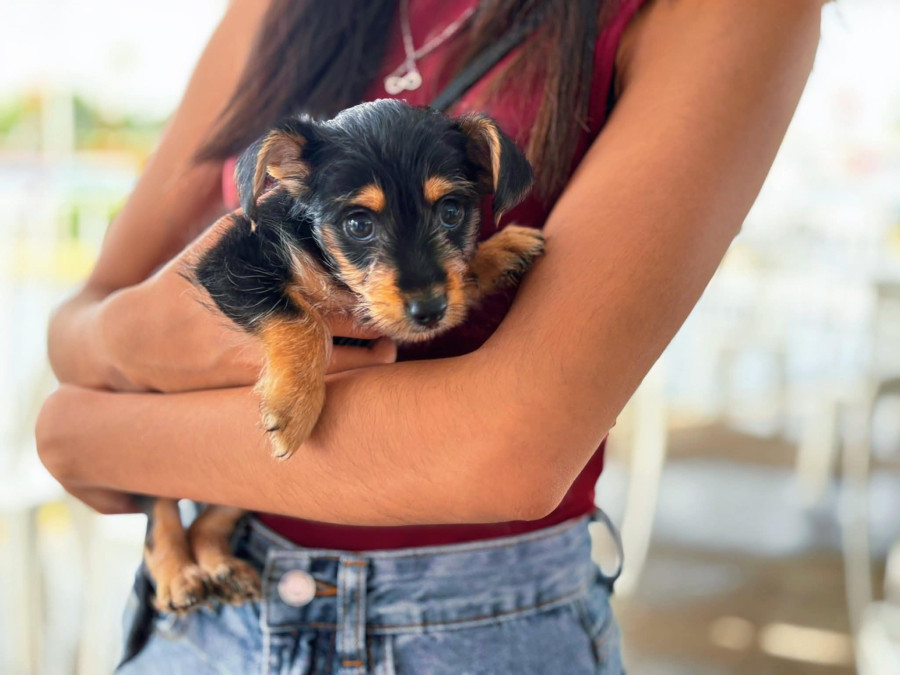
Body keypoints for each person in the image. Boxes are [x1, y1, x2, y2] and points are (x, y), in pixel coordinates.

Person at [35, 0, 828, 672]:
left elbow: (504, 453)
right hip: (199, 628)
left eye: (454, 212)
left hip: (473, 625)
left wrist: (89, 432)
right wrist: (128, 343)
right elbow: (84, 323)